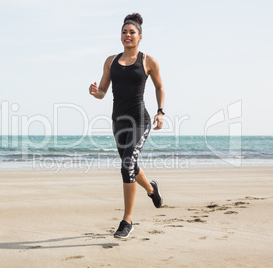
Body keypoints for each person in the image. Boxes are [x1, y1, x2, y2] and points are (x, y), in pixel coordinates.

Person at [89, 13, 165, 239]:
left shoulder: (148, 61)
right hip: (118, 122)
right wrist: (96, 92)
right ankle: (151, 189)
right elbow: (103, 91)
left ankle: (127, 221)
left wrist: (160, 111)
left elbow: (160, 87)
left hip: (140, 120)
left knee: (127, 165)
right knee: (129, 164)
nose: (128, 35)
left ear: (140, 37)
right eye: (124, 32)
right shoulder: (110, 61)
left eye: (132, 32)